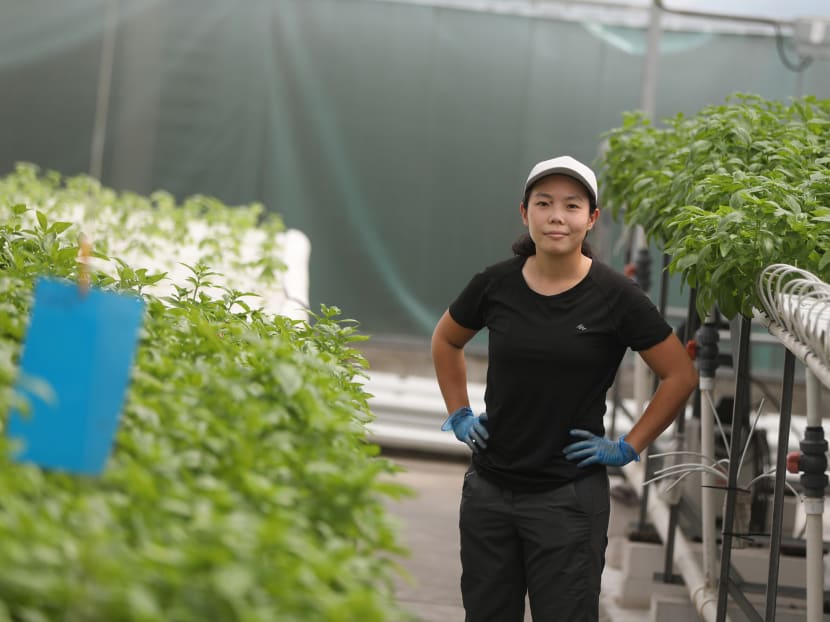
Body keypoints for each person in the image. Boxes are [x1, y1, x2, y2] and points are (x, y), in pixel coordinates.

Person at [431, 155, 698, 621]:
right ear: (525, 213)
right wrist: (460, 412)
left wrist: (629, 447)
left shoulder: (616, 297)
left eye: (572, 206)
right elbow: (446, 339)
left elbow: (680, 376)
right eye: (544, 203)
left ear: (591, 219)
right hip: (489, 493)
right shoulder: (495, 285)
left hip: (567, 499)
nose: (557, 216)